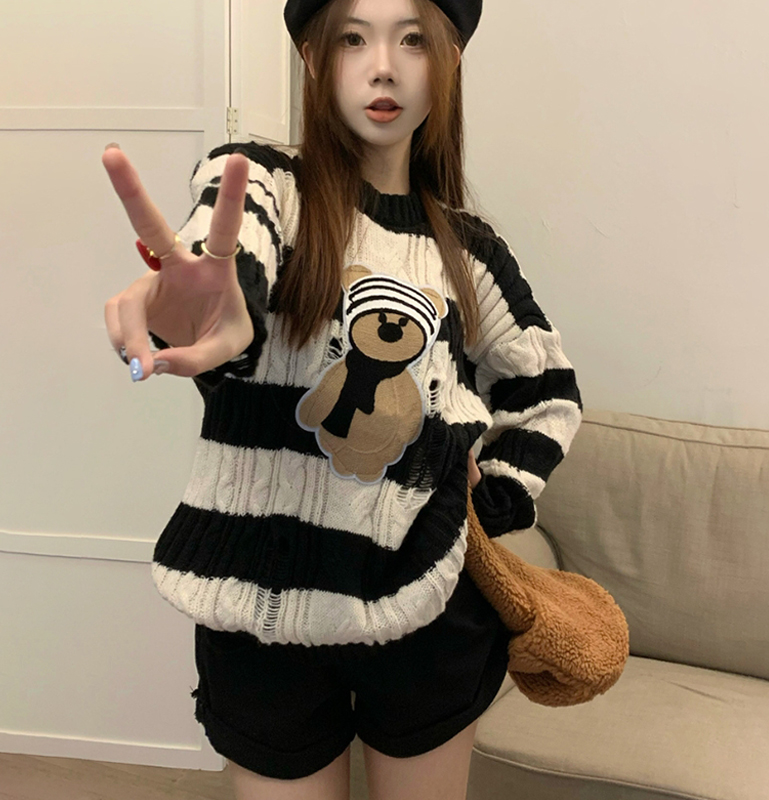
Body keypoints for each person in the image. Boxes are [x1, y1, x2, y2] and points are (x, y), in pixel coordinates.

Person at [101, 0, 583, 797]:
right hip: (259, 605)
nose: (382, 66)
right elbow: (231, 255)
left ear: (449, 62)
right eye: (353, 38)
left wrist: (490, 498)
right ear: (313, 57)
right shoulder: (260, 181)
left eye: (413, 40)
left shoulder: (470, 249)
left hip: (428, 609)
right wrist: (208, 306)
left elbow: (549, 393)